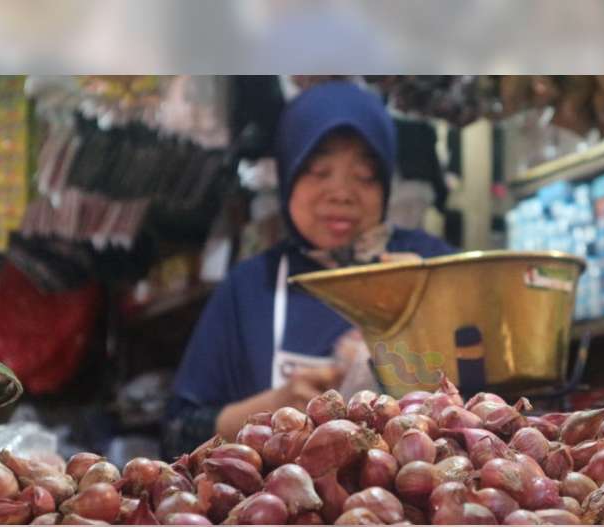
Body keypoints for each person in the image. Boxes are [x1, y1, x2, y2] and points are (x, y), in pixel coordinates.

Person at [163, 81, 453, 456]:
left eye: (365, 175)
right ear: (287, 175)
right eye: (318, 171)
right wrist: (271, 409)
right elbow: (175, 434)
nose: (341, 193)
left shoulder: (436, 267)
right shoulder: (250, 287)